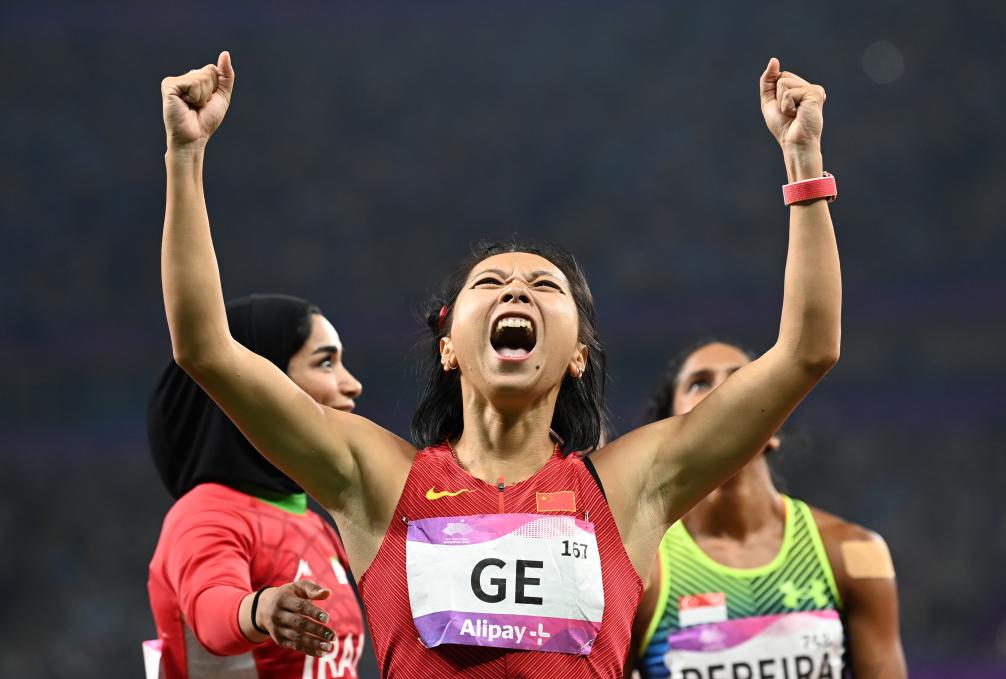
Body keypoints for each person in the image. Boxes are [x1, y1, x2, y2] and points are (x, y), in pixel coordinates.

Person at [158, 50, 841, 677]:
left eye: (545, 285)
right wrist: (184, 157)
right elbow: (205, 348)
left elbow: (807, 351)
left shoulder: (632, 488)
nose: (516, 290)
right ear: (449, 346)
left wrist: (803, 163)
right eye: (489, 283)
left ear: (578, 356)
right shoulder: (377, 480)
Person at [629, 340, 907, 678]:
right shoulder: (641, 570)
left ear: (774, 426)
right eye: (699, 383)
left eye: (740, 377)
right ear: (670, 431)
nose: (724, 392)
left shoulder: (855, 552)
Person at [147, 294, 367, 678]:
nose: (353, 385)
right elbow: (211, 611)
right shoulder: (206, 512)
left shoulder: (316, 523)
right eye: (325, 362)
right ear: (261, 382)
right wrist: (261, 608)